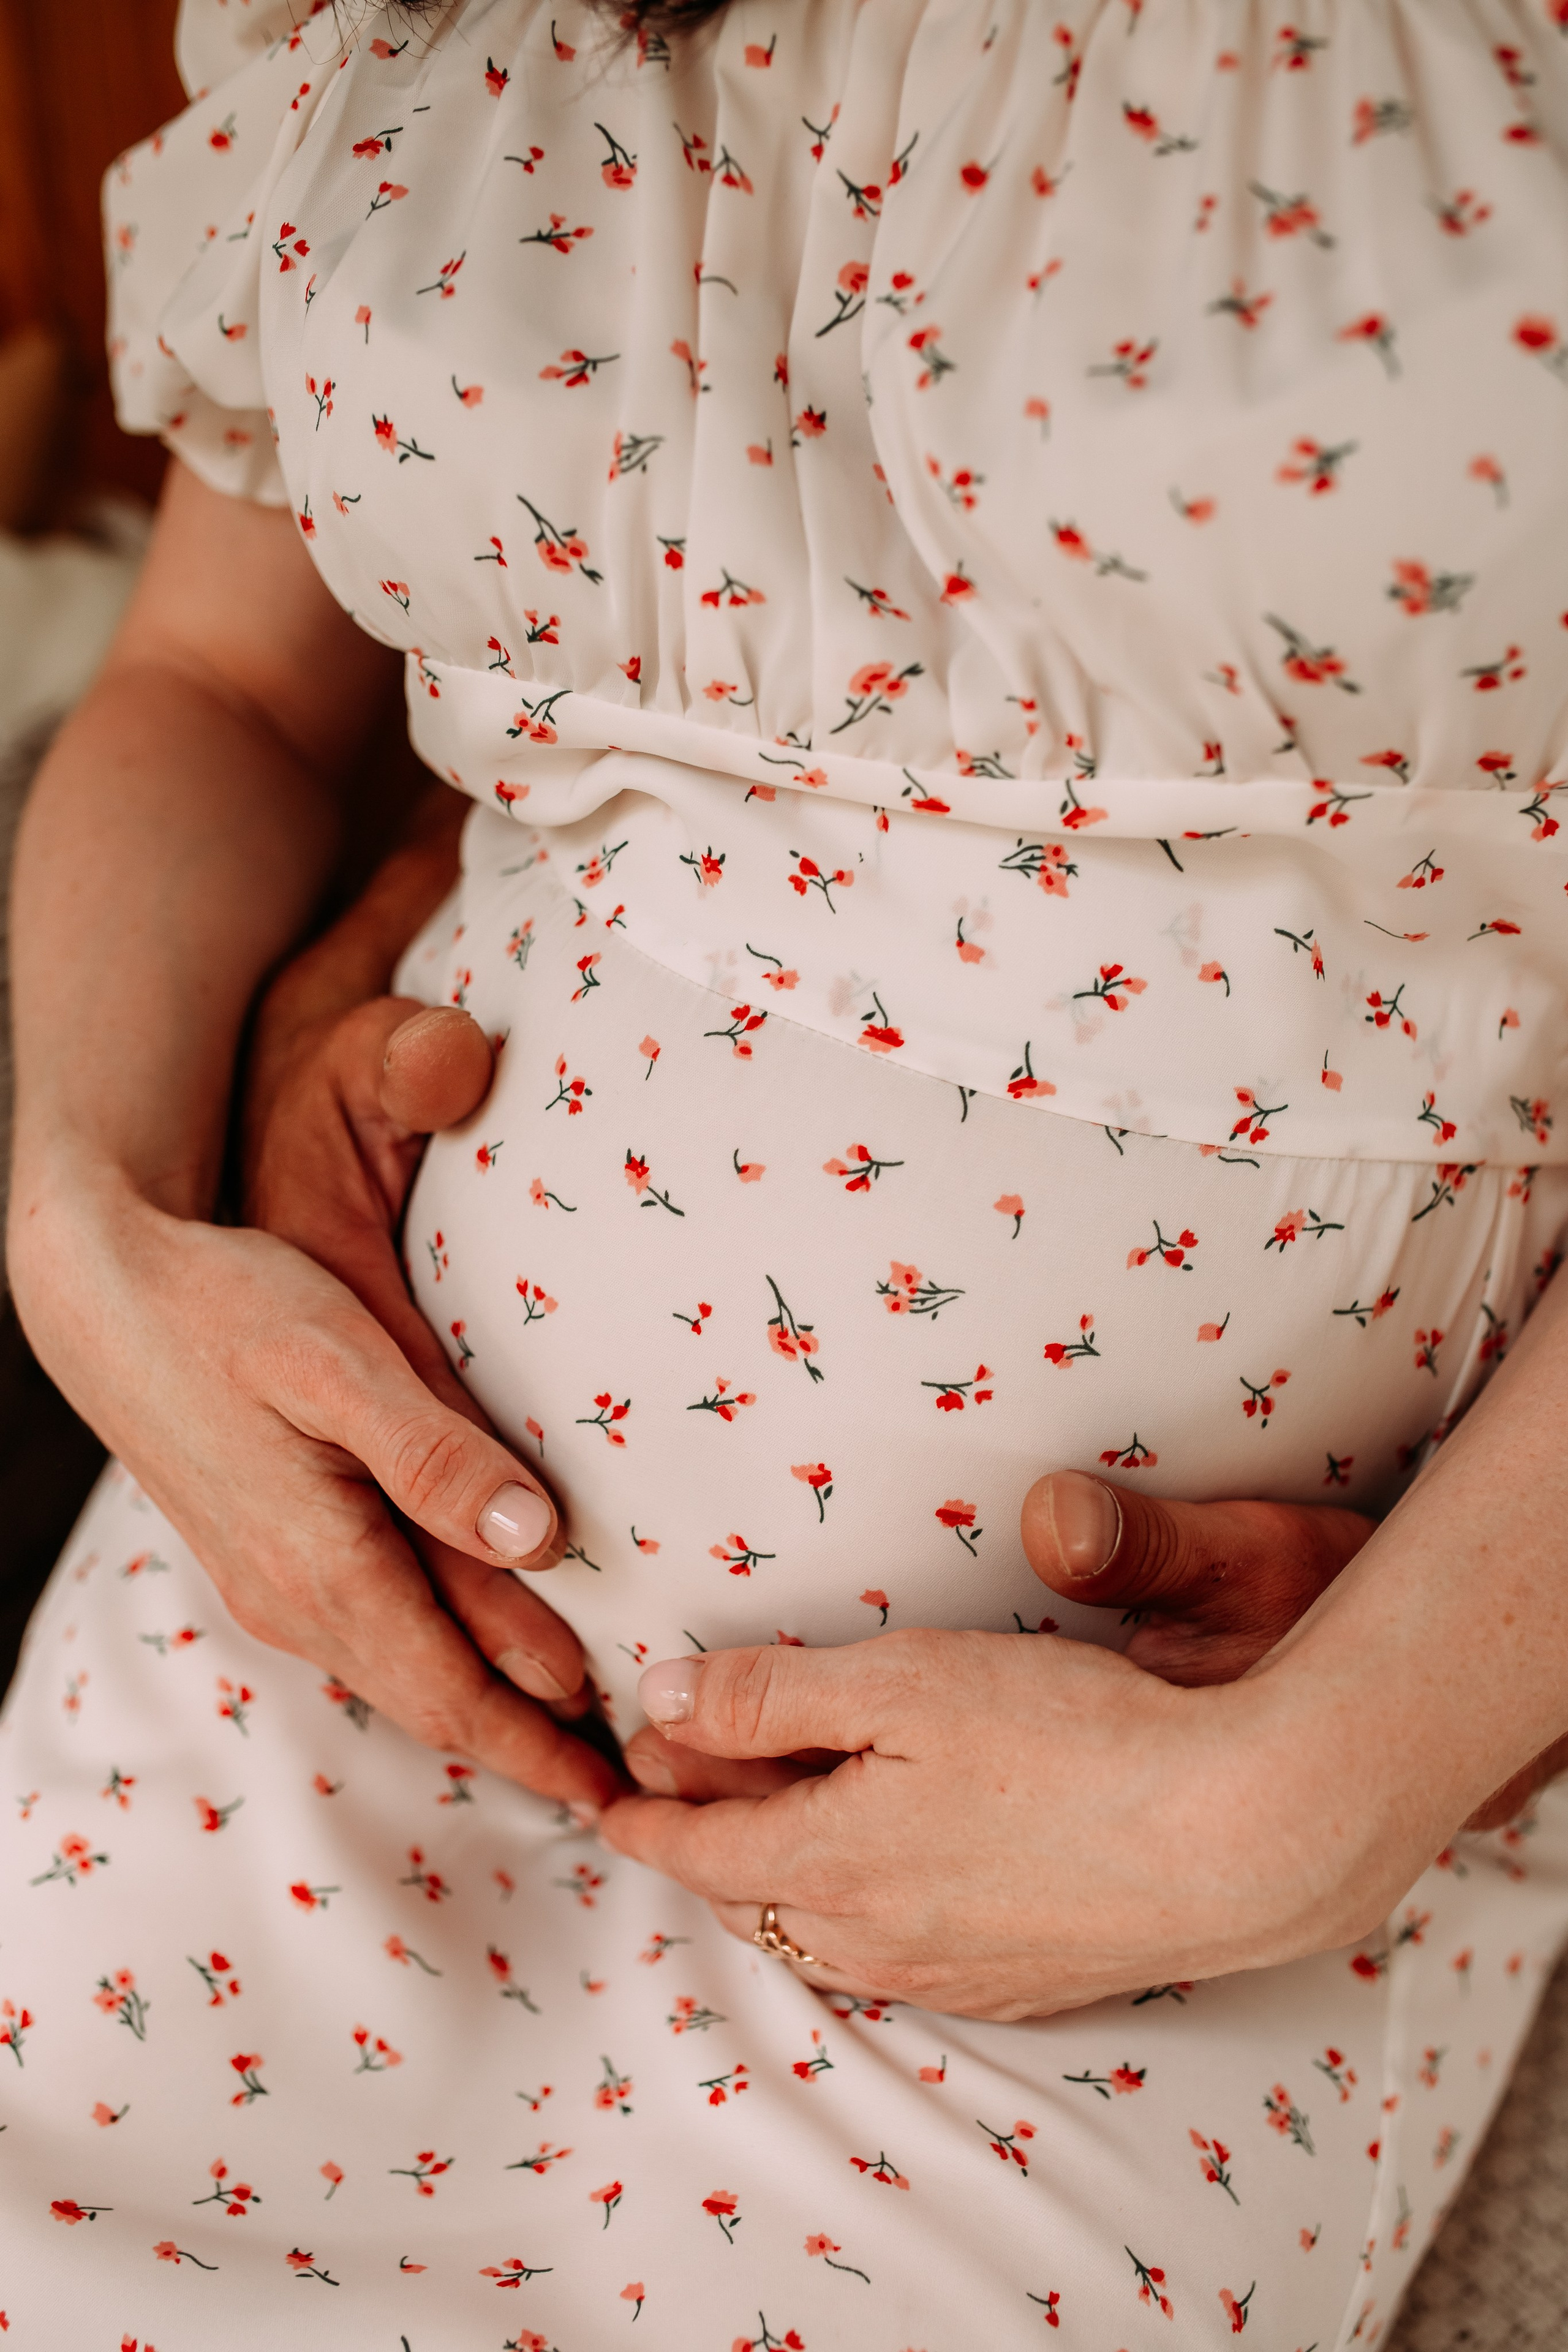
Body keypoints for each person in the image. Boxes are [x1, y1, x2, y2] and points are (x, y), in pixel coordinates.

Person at [4, 0, 1568, 2342]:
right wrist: (86, 1237)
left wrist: (1291, 1808)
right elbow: (219, 684)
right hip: (306, 1605)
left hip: (1148, 1805)